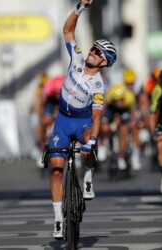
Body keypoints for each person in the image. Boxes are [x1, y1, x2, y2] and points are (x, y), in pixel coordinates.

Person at [48, 0, 117, 239]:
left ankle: (88, 177)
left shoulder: (98, 85)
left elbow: (97, 115)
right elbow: (67, 30)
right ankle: (58, 219)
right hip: (63, 121)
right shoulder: (76, 59)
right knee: (56, 170)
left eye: (98, 52)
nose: (92, 51)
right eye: (94, 47)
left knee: (90, 141)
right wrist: (79, 8)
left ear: (104, 62)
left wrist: (93, 140)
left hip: (83, 123)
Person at [100, 83, 137, 170]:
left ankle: (121, 156)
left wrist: (133, 122)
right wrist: (110, 125)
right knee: (103, 127)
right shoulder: (109, 100)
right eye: (117, 100)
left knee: (124, 130)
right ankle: (103, 145)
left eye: (121, 100)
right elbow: (103, 115)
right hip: (112, 111)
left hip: (125, 111)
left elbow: (133, 114)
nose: (119, 102)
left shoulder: (129, 99)